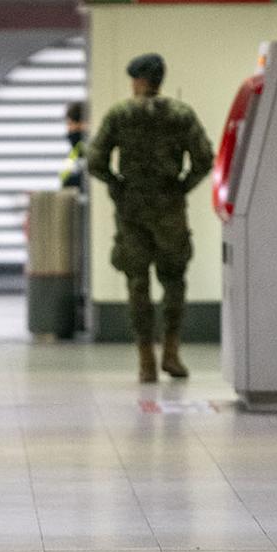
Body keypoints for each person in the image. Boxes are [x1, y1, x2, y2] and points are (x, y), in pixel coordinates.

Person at [85, 53, 213, 383]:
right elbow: (204, 159)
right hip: (170, 207)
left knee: (137, 282)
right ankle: (171, 353)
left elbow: (95, 161)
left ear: (140, 81)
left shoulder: (120, 114)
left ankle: (145, 360)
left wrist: (117, 186)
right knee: (174, 280)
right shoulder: (181, 114)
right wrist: (182, 187)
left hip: (132, 210)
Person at [59, 100, 88, 190]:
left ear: (82, 124)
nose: (68, 129)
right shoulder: (75, 149)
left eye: (70, 124)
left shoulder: (87, 147)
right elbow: (64, 178)